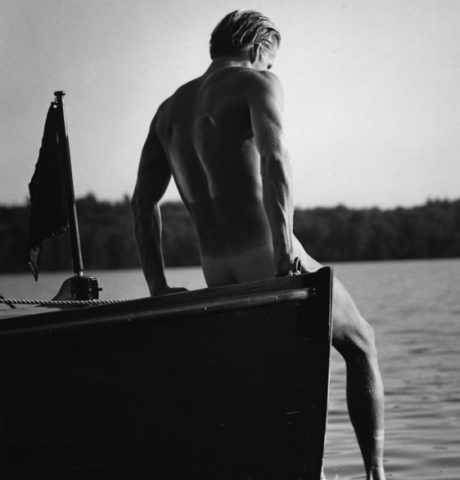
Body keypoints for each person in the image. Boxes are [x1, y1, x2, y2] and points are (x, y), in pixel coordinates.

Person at [131, 10, 385, 479]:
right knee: (362, 342)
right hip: (265, 253)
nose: (270, 70)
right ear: (256, 47)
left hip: (216, 270)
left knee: (266, 381)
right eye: (270, 62)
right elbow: (274, 157)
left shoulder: (167, 112)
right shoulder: (255, 82)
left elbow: (143, 204)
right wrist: (283, 246)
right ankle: (376, 476)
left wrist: (158, 287)